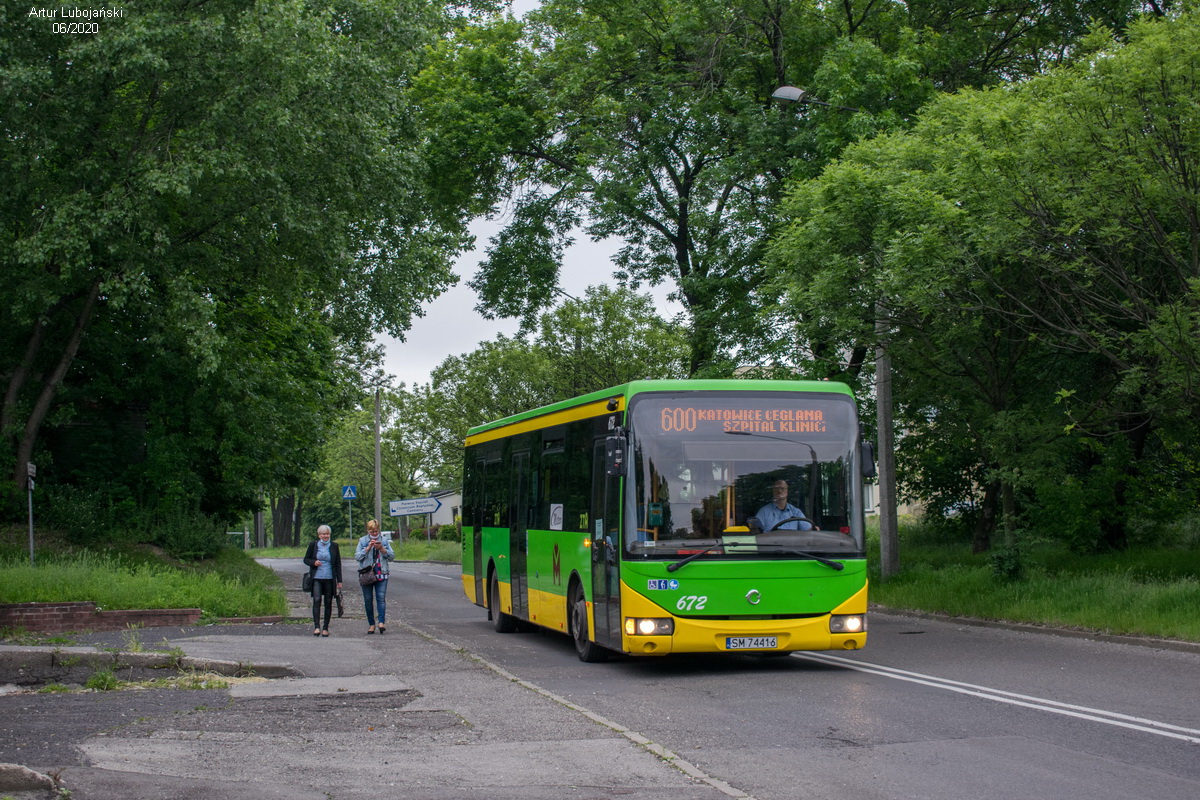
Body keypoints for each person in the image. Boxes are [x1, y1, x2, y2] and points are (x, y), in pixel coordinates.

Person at [303, 525, 343, 637]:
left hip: (330, 578)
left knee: (328, 602)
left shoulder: (334, 546)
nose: (325, 536)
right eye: (323, 534)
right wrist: (314, 562)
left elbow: (338, 564)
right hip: (317, 577)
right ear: (319, 535)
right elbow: (306, 559)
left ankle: (325, 627)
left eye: (327, 534)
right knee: (317, 599)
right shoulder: (314, 545)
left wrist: (339, 580)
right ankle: (316, 627)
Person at [356, 519, 395, 634]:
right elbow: (357, 557)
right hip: (367, 574)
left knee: (381, 598)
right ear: (368, 531)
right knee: (368, 600)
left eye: (376, 531)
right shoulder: (362, 540)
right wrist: (367, 548)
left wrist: (382, 549)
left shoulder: (384, 540)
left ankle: (381, 622)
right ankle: (371, 624)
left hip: (381, 572)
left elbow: (392, 556)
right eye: (372, 531)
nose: (374, 533)